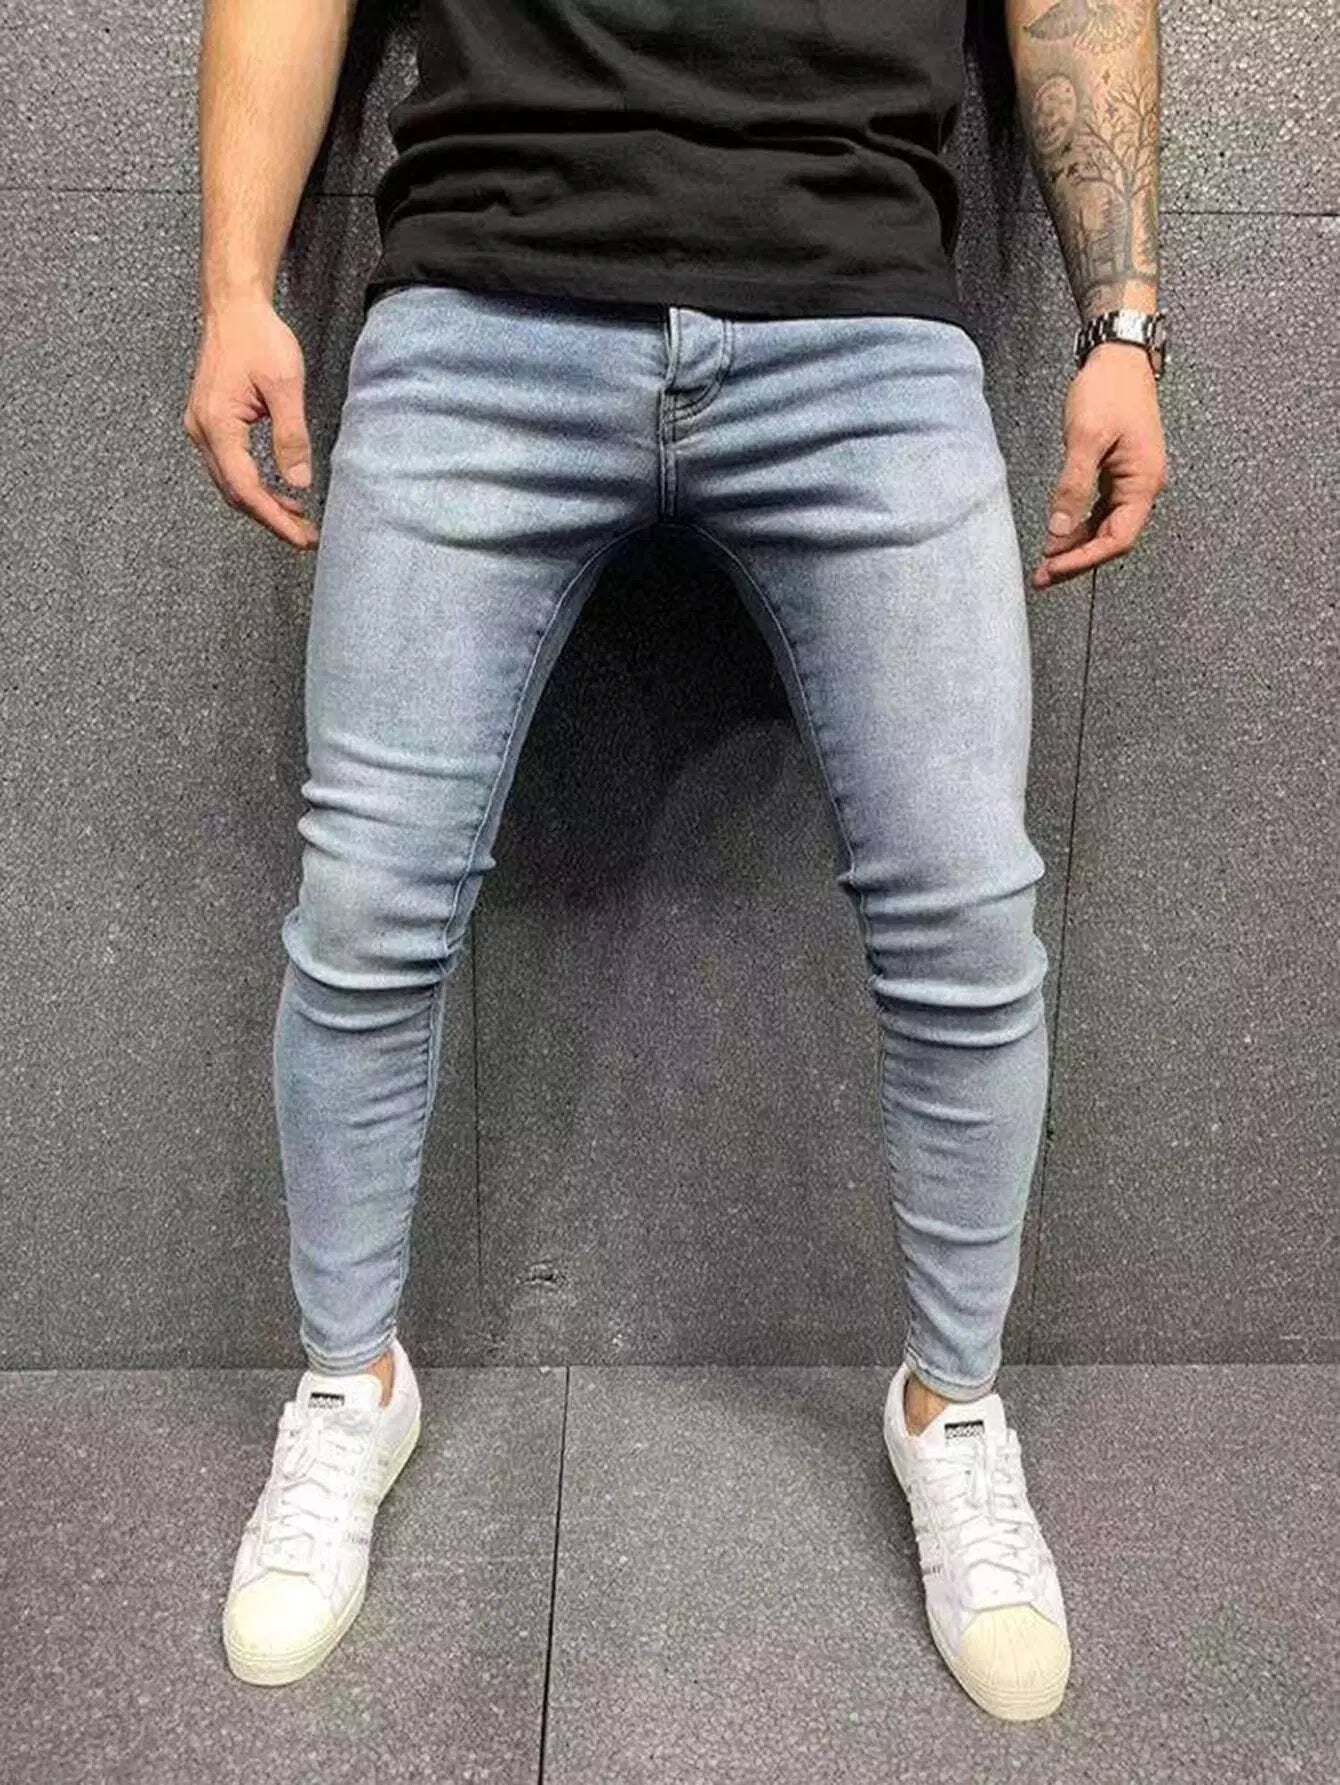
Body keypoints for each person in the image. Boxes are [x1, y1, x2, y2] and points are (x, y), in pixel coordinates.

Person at [183, 0, 1167, 1722]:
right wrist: (233, 285)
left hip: (862, 329)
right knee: (366, 898)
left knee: (969, 907)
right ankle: (351, 1388)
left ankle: (952, 1408)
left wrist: (1125, 321)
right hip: (484, 305)